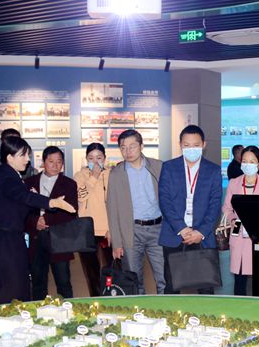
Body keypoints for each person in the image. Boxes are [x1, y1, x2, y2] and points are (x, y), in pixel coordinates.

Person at [0, 136, 75, 305]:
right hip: (5, 242)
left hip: (12, 238)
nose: (27, 159)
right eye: (23, 155)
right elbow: (23, 196)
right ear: (10, 157)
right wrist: (52, 202)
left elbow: (22, 199)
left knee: (17, 286)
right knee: (8, 288)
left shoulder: (12, 175)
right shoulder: (7, 176)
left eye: (28, 155)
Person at [158, 125, 222, 294]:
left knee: (206, 287)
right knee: (172, 286)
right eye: (187, 145)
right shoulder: (169, 167)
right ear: (180, 145)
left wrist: (200, 232)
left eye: (196, 145)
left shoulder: (213, 170)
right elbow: (164, 201)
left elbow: (215, 205)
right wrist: (182, 228)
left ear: (204, 144)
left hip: (202, 235)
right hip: (174, 234)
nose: (191, 149)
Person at [106, 129, 165, 294]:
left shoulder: (158, 166)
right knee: (134, 278)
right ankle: (139, 308)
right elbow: (112, 209)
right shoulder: (116, 173)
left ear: (141, 146)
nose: (128, 151)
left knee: (163, 277)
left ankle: (166, 306)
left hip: (158, 229)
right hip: (131, 231)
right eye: (123, 147)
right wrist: (117, 243)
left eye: (132, 146)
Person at [24, 146, 78, 300]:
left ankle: (67, 310)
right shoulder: (29, 182)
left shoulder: (69, 184)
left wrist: (45, 220)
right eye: (51, 161)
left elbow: (71, 211)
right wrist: (35, 221)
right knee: (38, 281)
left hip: (59, 238)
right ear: (43, 162)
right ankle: (38, 311)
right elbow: (22, 211)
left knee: (63, 281)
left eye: (59, 161)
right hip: (35, 237)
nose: (55, 165)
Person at [222, 145, 259, 295]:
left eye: (252, 162)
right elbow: (227, 208)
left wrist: (256, 224)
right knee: (239, 279)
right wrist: (233, 219)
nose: (247, 165)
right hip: (238, 233)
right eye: (244, 161)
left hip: (256, 236)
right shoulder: (234, 183)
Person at [76, 142, 112, 296]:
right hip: (87, 230)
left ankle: (111, 297)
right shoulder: (79, 176)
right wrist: (94, 177)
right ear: (86, 159)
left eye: (99, 157)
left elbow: (116, 203)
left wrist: (112, 228)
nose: (95, 162)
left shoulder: (112, 175)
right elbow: (81, 196)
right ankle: (96, 299)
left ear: (105, 158)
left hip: (107, 231)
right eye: (91, 158)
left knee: (111, 268)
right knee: (91, 271)